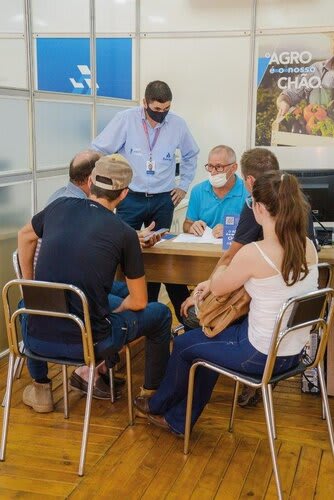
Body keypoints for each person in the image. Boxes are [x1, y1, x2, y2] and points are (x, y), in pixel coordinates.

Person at [133, 170, 319, 436]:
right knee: (210, 338)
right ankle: (177, 418)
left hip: (259, 355)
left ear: (259, 208)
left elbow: (219, 286)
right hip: (292, 354)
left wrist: (212, 279)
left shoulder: (254, 253)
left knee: (186, 343)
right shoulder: (308, 247)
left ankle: (157, 406)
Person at [18, 154, 172, 413]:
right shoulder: (123, 232)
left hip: (37, 339)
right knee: (160, 314)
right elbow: (139, 301)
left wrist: (30, 284)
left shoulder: (59, 206)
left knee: (29, 302)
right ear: (124, 194)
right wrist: (114, 311)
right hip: (90, 343)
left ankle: (42, 389)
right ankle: (151, 396)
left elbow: (25, 236)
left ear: (90, 181)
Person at [180, 147, 317, 406]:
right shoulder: (299, 214)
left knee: (199, 327)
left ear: (250, 182)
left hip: (261, 337)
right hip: (291, 339)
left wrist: (208, 285)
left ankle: (241, 378)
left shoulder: (256, 210)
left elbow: (231, 258)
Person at [91, 80, 200, 322]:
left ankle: (149, 312)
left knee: (158, 252)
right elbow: (99, 148)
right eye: (156, 110)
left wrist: (183, 186)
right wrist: (111, 183)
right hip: (130, 197)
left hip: (163, 198)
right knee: (123, 250)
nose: (161, 115)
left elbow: (192, 154)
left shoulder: (178, 125)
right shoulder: (125, 119)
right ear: (145, 103)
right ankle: (119, 311)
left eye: (166, 110)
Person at [183, 145, 248, 238]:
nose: (213, 172)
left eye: (219, 167)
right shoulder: (198, 191)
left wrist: (232, 230)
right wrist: (191, 227)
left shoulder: (247, 192)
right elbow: (187, 224)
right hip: (203, 248)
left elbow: (257, 229)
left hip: (236, 249)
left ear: (233, 168)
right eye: (210, 166)